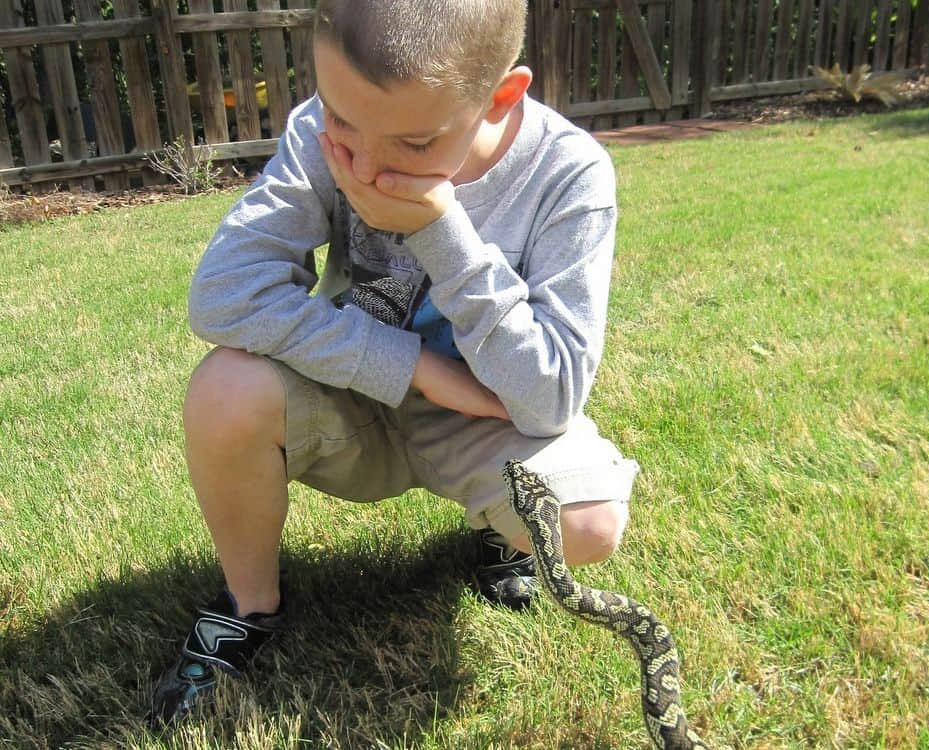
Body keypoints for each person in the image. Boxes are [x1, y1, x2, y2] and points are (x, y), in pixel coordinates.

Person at [151, 0, 639, 723]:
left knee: (586, 523)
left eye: (413, 141)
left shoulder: (569, 175)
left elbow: (551, 396)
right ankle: (247, 606)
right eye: (342, 121)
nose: (367, 165)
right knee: (226, 388)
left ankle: (496, 535)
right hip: (357, 403)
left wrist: (442, 230)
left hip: (487, 420)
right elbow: (222, 295)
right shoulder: (319, 131)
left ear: (501, 96)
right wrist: (413, 367)